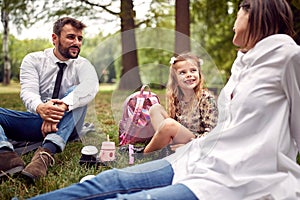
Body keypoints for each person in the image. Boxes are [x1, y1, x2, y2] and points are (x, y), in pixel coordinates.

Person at [27, 0, 300, 199]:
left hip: (232, 179)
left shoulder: (289, 58)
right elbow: (227, 129)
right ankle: (130, 156)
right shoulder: (242, 65)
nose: (233, 23)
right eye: (182, 72)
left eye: (238, 13)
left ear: (254, 13)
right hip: (199, 157)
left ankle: (136, 155)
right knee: (107, 180)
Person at [0, 17, 99, 181]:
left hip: (71, 124)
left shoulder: (84, 65)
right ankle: (5, 155)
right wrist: (41, 108)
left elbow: (91, 87)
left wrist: (63, 106)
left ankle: (45, 153)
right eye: (71, 37)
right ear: (55, 38)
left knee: (78, 92)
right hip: (37, 122)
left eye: (80, 38)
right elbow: (28, 92)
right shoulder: (33, 60)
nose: (77, 42)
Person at [143, 52, 218, 153]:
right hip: (179, 136)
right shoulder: (177, 97)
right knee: (155, 109)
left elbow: (212, 133)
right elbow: (175, 122)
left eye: (193, 70)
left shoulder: (206, 98)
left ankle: (143, 154)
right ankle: (165, 148)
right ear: (176, 80)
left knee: (169, 124)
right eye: (183, 72)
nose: (189, 75)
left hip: (197, 140)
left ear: (199, 74)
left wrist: (190, 145)